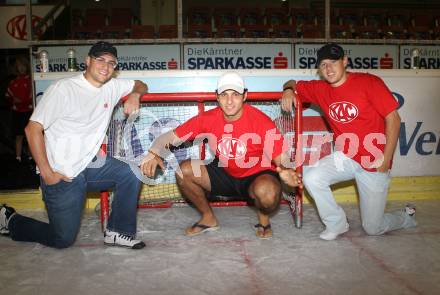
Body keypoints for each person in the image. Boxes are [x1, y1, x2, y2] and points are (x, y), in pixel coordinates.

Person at [0, 41, 148, 249]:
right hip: (62, 173)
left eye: (111, 63)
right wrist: (47, 173)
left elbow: (141, 84)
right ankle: (10, 220)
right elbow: (32, 129)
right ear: (87, 61)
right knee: (62, 239)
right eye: (100, 60)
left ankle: (117, 232)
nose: (106, 66)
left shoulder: (112, 86)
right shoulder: (63, 89)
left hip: (90, 165)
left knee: (131, 172)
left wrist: (135, 95)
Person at [280, 43, 417, 241]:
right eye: (324, 64)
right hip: (346, 156)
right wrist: (287, 90)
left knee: (373, 228)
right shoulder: (319, 89)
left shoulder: (369, 82)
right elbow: (292, 82)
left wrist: (386, 159)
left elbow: (394, 119)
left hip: (374, 161)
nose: (329, 68)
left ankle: (405, 217)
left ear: (345, 61)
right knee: (311, 177)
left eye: (334, 62)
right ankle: (337, 224)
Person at [140, 72, 300, 239]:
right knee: (185, 170)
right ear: (217, 97)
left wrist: (286, 169)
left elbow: (282, 158)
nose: (229, 101)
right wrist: (153, 151)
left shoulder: (261, 121)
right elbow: (170, 137)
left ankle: (264, 219)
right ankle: (208, 218)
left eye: (235, 95)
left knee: (268, 193)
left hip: (255, 175)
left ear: (245, 96)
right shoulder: (208, 119)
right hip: (225, 171)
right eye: (224, 95)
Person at [5, 55, 33, 162]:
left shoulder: (30, 80)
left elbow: (32, 95)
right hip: (17, 112)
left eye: (23, 66)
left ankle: (31, 156)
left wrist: (26, 100)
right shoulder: (13, 82)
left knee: (30, 135)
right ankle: (18, 158)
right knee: (18, 135)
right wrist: (13, 100)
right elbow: (8, 96)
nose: (21, 68)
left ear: (27, 66)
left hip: (29, 112)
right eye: (18, 66)